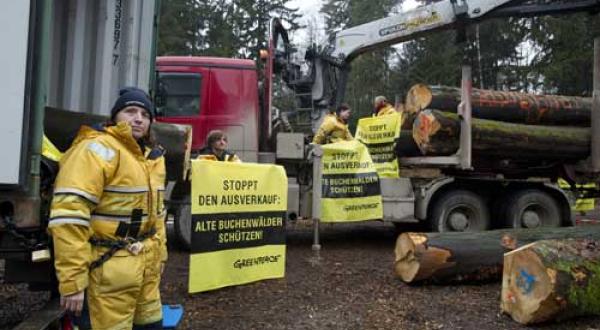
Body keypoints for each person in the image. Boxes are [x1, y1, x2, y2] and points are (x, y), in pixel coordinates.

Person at [49, 87, 167, 329]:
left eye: (145, 114)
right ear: (115, 117)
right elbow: (69, 217)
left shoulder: (152, 159)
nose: (138, 118)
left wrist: (161, 256)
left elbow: (158, 215)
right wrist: (73, 282)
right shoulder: (95, 150)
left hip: (145, 274)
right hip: (105, 276)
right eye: (130, 111)